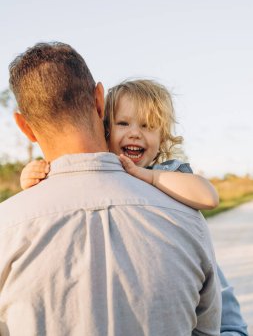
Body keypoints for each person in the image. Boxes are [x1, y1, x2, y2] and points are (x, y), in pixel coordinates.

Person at [0, 42, 221, 335]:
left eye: (147, 126)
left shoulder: (9, 225)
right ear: (100, 103)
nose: (134, 133)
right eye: (124, 123)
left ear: (25, 128)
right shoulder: (187, 217)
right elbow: (211, 327)